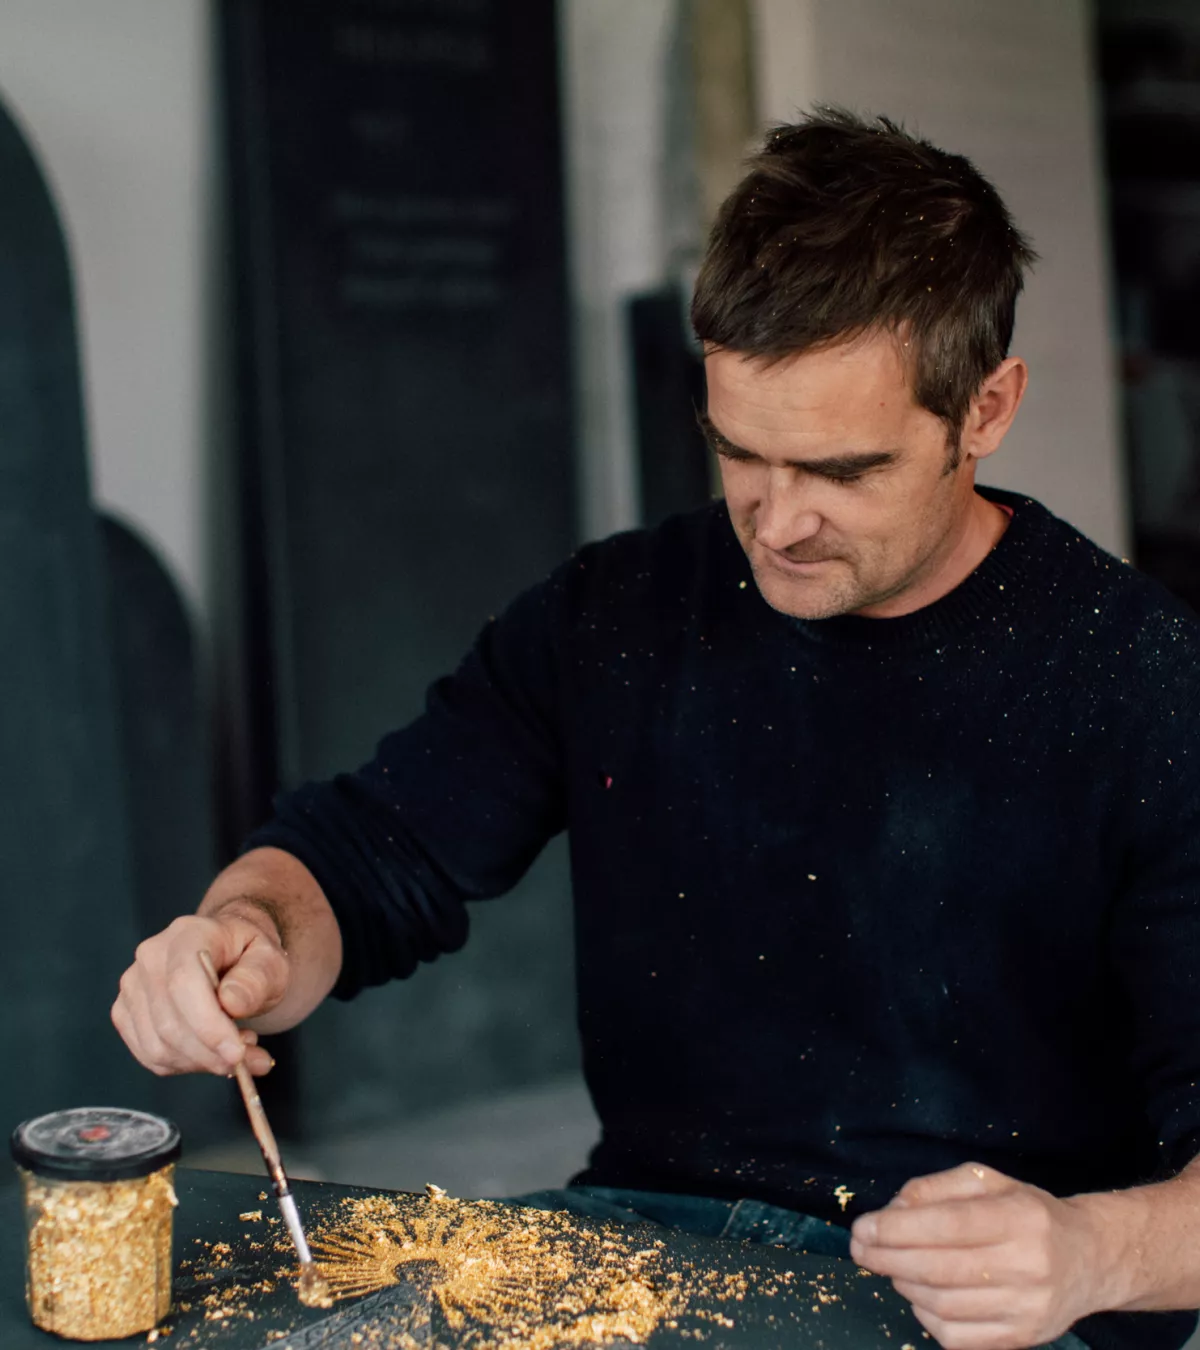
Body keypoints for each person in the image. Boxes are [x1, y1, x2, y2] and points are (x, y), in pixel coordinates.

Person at [112, 110, 1200, 1350]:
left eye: (843, 472)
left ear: (986, 409)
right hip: (644, 1247)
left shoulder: (1143, 685)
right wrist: (244, 936)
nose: (777, 523)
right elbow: (370, 856)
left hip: (991, 1307)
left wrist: (1089, 1253)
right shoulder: (615, 614)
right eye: (741, 453)